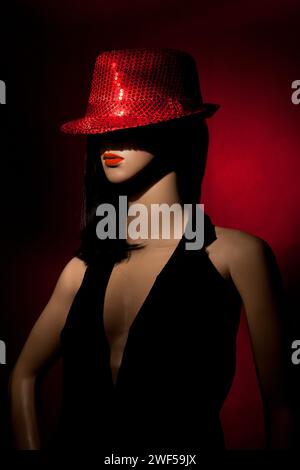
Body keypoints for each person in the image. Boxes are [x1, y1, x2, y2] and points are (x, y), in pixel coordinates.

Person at [9, 48, 291, 452]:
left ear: (178, 130)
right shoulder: (81, 269)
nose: (111, 138)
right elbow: (23, 375)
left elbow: (281, 406)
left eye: (134, 124)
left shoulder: (237, 256)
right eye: (103, 127)